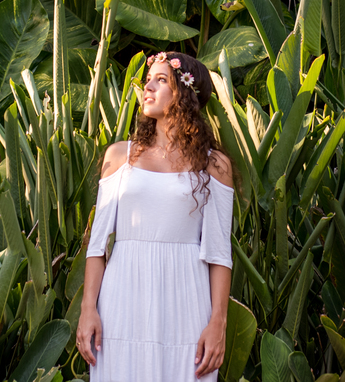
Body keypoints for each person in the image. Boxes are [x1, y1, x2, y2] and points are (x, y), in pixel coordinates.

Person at [76, 50, 236, 381]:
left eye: (161, 80)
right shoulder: (119, 156)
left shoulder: (214, 164)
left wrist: (217, 322)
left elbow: (220, 252)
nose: (147, 88)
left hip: (186, 300)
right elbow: (97, 244)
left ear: (185, 94)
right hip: (122, 300)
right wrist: (88, 309)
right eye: (148, 80)